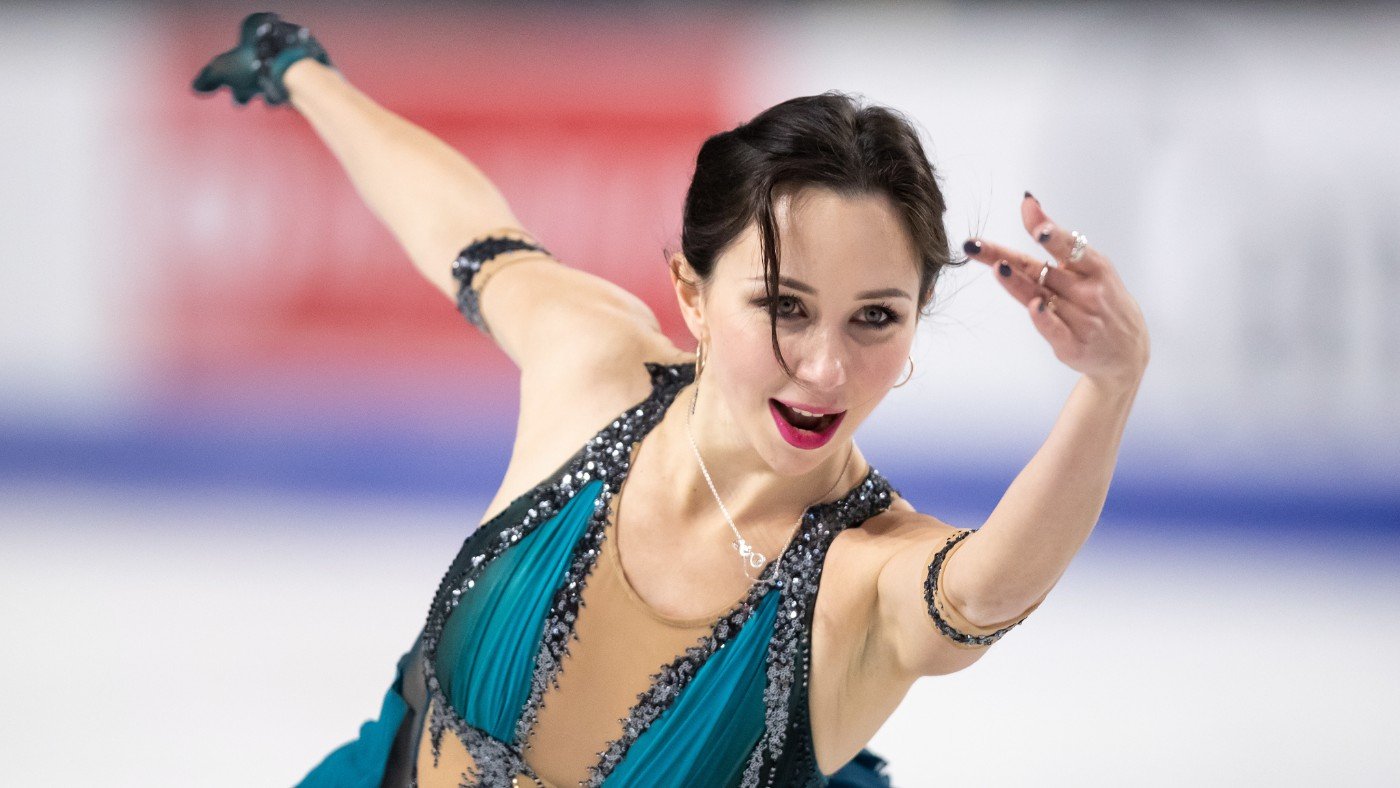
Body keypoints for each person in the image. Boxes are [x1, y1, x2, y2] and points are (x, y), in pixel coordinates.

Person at [193, 13, 1149, 788]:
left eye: (874, 318)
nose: (826, 369)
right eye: (784, 307)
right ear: (692, 294)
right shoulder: (596, 371)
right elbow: (464, 233)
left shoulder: (864, 573)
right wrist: (299, 68)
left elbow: (982, 591)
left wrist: (1108, 389)